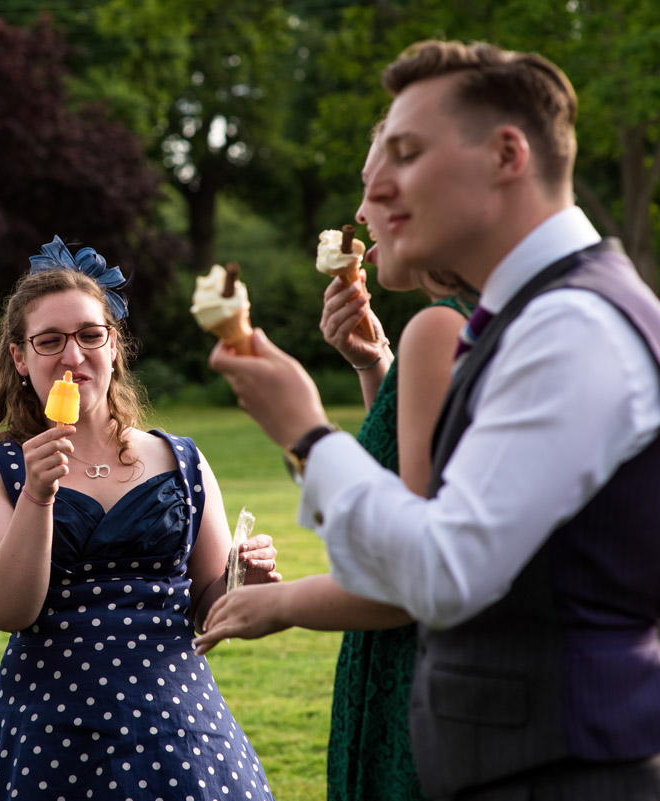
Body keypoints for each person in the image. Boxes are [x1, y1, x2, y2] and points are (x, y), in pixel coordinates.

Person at [203, 40, 660, 800]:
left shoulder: (571, 325)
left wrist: (308, 437)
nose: (374, 192)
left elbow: (445, 570)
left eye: (406, 154)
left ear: (507, 154)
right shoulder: (531, 317)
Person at [196, 129, 472, 801]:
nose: (360, 214)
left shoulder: (439, 329)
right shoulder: (464, 325)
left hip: (415, 682)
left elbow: (410, 564)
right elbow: (415, 487)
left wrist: (279, 602)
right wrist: (375, 367)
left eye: (379, 188)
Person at [0, 236, 280, 801]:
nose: (72, 356)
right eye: (49, 340)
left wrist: (242, 584)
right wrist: (37, 495)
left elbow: (208, 610)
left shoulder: (180, 459)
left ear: (114, 345)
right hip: (51, 736)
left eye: (89, 335)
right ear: (19, 357)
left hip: (179, 731)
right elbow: (7, 611)